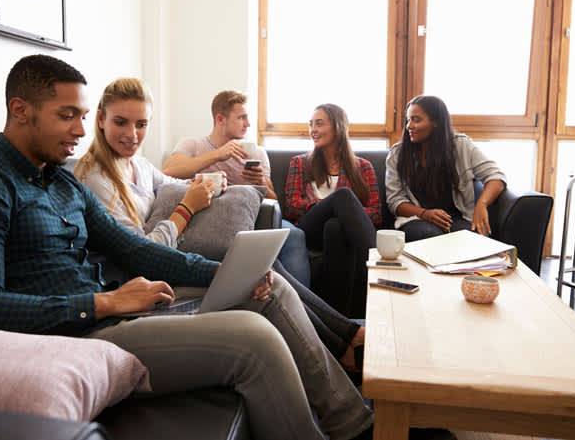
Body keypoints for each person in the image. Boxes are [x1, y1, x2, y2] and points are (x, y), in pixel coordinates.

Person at [0, 55, 373, 440]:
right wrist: (102, 302)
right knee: (253, 340)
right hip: (77, 334)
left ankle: (356, 424)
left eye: (83, 115)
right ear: (20, 110)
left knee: (268, 287)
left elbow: (135, 251)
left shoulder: (57, 180)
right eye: (67, 115)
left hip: (115, 311)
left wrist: (223, 274)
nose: (82, 130)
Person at [74, 77, 365, 372]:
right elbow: (141, 255)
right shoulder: (97, 179)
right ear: (100, 119)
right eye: (121, 122)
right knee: (263, 281)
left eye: (142, 124)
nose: (132, 135)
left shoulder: (138, 164)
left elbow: (174, 182)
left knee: (267, 269)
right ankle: (344, 345)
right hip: (146, 283)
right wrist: (187, 207)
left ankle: (347, 337)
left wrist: (207, 184)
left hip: (169, 263)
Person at [162, 90, 312, 287]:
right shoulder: (192, 144)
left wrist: (261, 182)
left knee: (294, 234)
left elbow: (274, 201)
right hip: (206, 218)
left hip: (253, 218)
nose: (248, 124)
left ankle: (296, 305)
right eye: (242, 118)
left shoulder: (257, 152)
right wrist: (218, 155)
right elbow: (168, 171)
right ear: (220, 119)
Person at [284, 104, 381, 319]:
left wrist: (341, 213)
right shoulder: (299, 163)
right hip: (310, 229)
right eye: (311, 124)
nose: (313, 130)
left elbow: (376, 213)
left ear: (338, 127)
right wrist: (326, 206)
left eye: (320, 123)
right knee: (343, 196)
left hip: (338, 233)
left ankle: (341, 321)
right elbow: (291, 205)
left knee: (335, 226)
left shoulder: (363, 167)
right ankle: (379, 264)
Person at [386, 95, 507, 242]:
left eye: (416, 120)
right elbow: (394, 201)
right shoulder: (397, 154)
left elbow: (495, 177)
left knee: (474, 239)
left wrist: (481, 204)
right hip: (416, 219)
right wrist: (424, 213)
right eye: (408, 120)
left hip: (457, 219)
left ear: (436, 122)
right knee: (431, 236)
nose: (409, 126)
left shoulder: (462, 145)